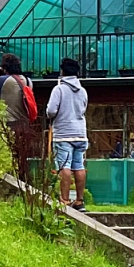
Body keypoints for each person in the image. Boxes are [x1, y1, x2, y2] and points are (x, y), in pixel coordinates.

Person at [0, 54, 35, 177]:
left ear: (4, 67)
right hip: (25, 125)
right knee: (22, 157)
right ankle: (23, 181)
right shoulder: (28, 81)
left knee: (8, 156)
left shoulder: (3, 80)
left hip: (9, 125)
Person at [45, 57, 88, 210]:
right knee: (79, 165)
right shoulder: (82, 91)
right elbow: (83, 109)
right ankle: (79, 200)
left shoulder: (59, 89)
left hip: (64, 133)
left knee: (65, 166)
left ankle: (64, 200)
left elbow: (51, 111)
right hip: (81, 133)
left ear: (62, 71)